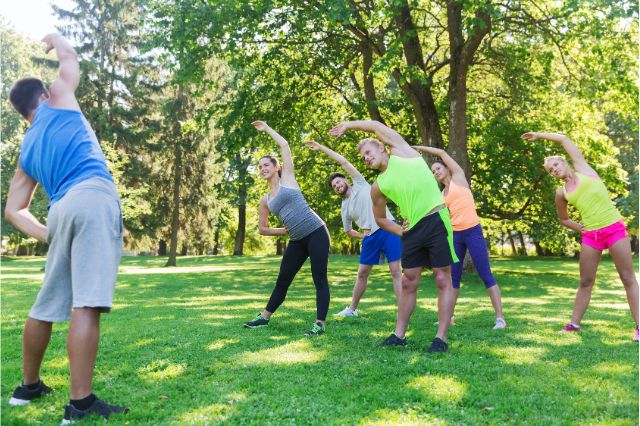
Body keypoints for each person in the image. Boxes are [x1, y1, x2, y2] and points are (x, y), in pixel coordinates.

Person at [5, 33, 128, 422]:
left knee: (47, 303)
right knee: (86, 302)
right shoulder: (58, 99)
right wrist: (56, 39)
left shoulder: (27, 149)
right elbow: (70, 57)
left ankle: (27, 387)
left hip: (60, 208)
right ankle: (80, 404)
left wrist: (47, 233)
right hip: (92, 195)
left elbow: (13, 209)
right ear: (42, 96)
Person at [329, 120, 458, 353]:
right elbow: (380, 219)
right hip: (411, 231)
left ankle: (441, 338)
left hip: (437, 219)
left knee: (442, 277)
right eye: (363, 158)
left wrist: (347, 126)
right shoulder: (378, 186)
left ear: (381, 147)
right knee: (408, 281)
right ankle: (399, 335)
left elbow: (374, 125)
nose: (366, 158)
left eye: (368, 152)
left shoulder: (401, 152)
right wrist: (401, 231)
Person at [522, 132, 639, 341]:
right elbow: (564, 219)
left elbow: (564, 139)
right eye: (551, 170)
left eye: (556, 165)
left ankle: (639, 326)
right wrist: (583, 229)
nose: (554, 170)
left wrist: (539, 136)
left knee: (628, 278)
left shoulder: (584, 169)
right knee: (585, 281)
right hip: (591, 237)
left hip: (614, 229)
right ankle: (574, 325)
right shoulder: (562, 192)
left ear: (564, 162)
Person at [243, 121, 330, 336]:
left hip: (316, 232)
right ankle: (264, 318)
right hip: (297, 240)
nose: (263, 169)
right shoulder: (265, 201)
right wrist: (282, 231)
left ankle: (319, 324)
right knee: (283, 279)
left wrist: (267, 129)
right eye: (260, 167)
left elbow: (284, 146)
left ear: (276, 167)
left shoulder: (288, 180)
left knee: (319, 277)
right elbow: (262, 229)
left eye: (266, 165)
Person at [304, 140, 402, 317]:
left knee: (396, 271)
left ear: (346, 180)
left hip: (388, 228)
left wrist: (321, 148)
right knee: (362, 273)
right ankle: (352, 309)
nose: (337, 186)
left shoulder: (360, 184)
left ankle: (403, 309)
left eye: (339, 182)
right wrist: (362, 236)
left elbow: (343, 162)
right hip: (370, 237)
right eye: (334, 186)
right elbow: (348, 231)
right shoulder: (345, 208)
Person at [412, 146, 506, 329]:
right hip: (455, 236)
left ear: (447, 168)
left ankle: (500, 319)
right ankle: (449, 317)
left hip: (473, 232)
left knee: (485, 274)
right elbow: (431, 215)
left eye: (438, 168)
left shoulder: (459, 178)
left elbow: (441, 152)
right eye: (433, 172)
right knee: (452, 278)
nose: (436, 172)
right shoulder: (441, 195)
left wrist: (418, 149)